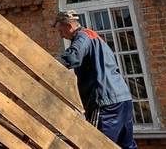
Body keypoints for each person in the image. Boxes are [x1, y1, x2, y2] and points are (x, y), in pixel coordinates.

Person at [54, 10, 138, 149]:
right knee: (127, 145)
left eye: (60, 30)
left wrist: (50, 62)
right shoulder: (94, 36)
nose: (61, 35)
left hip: (105, 102)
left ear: (69, 26)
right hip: (123, 98)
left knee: (96, 144)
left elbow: (73, 56)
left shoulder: (82, 37)